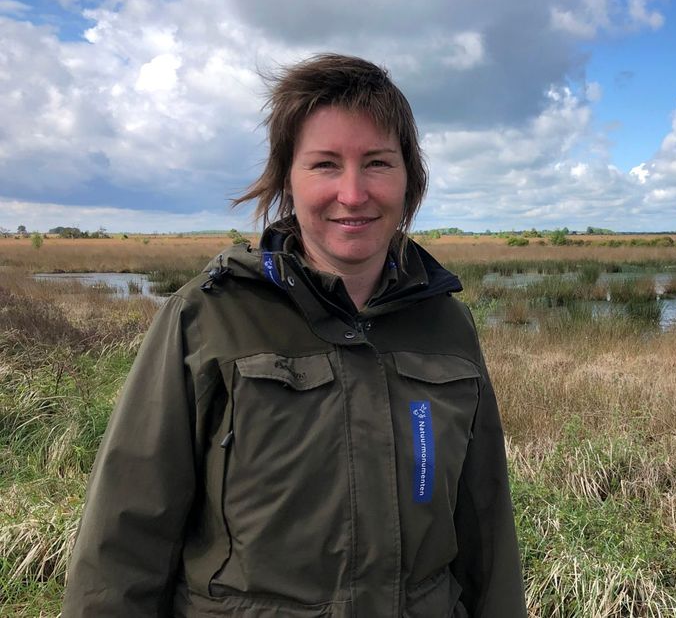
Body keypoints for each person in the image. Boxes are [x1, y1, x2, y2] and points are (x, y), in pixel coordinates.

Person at [62, 54, 526, 617]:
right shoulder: (206, 318)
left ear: (410, 179)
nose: (353, 194)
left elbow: (487, 528)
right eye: (325, 164)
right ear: (287, 179)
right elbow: (126, 533)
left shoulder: (447, 326)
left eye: (378, 163)